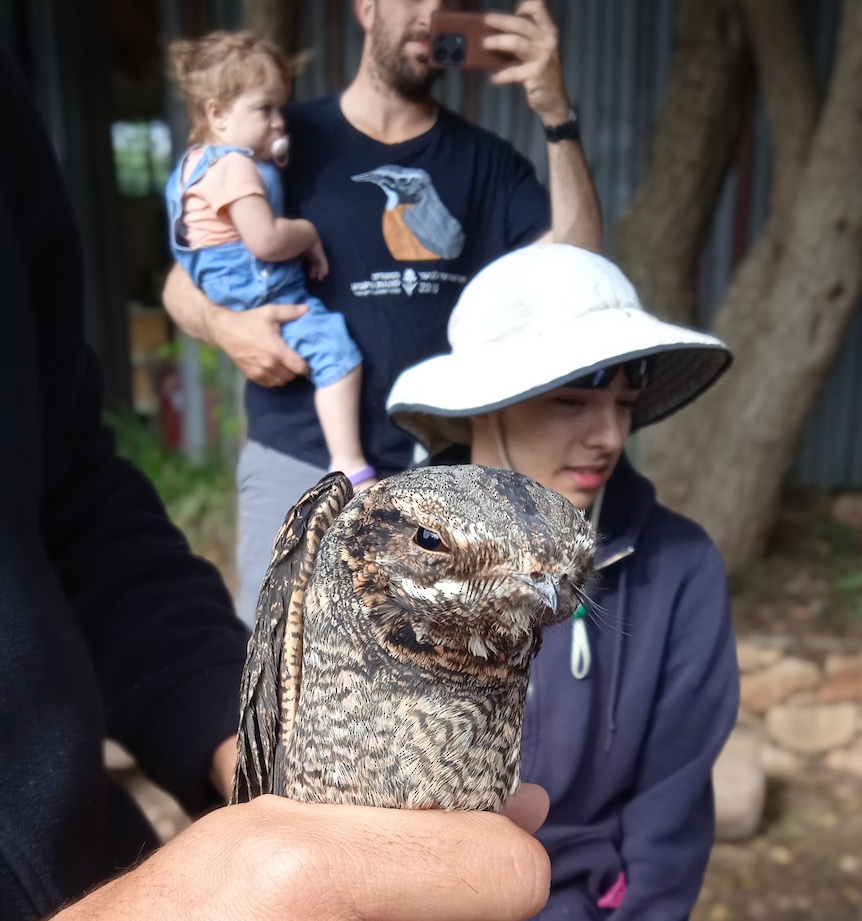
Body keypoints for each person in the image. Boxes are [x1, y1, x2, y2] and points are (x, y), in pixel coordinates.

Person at [0, 21, 551, 921]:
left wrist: (262, 756)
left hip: (113, 902)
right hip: (306, 472)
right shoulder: (299, 148)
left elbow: (64, 489)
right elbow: (199, 264)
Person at [386, 243, 791, 921]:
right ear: (487, 401)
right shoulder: (386, 567)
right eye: (572, 398)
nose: (607, 433)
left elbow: (668, 816)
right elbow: (358, 830)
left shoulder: (677, 568)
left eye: (623, 399)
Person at [163, 0, 602, 623]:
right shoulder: (280, 139)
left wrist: (557, 116)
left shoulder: (487, 162)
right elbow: (182, 285)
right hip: (298, 465)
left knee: (432, 706)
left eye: (452, 4)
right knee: (279, 691)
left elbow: (578, 263)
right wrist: (227, 327)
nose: (433, 13)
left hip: (442, 481)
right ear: (365, 7)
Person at [166, 31, 373, 491]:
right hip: (257, 283)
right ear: (218, 114)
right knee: (337, 353)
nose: (280, 122)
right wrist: (308, 233)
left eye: (281, 107)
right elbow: (264, 240)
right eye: (264, 109)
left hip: (221, 280)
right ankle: (349, 462)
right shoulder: (235, 166)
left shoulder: (192, 164)